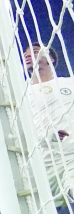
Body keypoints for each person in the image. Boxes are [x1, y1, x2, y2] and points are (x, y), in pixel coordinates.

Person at [24, 43, 74, 204]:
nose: (28, 55)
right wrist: (46, 136)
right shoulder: (21, 93)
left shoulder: (70, 83)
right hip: (45, 164)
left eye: (35, 52)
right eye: (25, 53)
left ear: (50, 59)